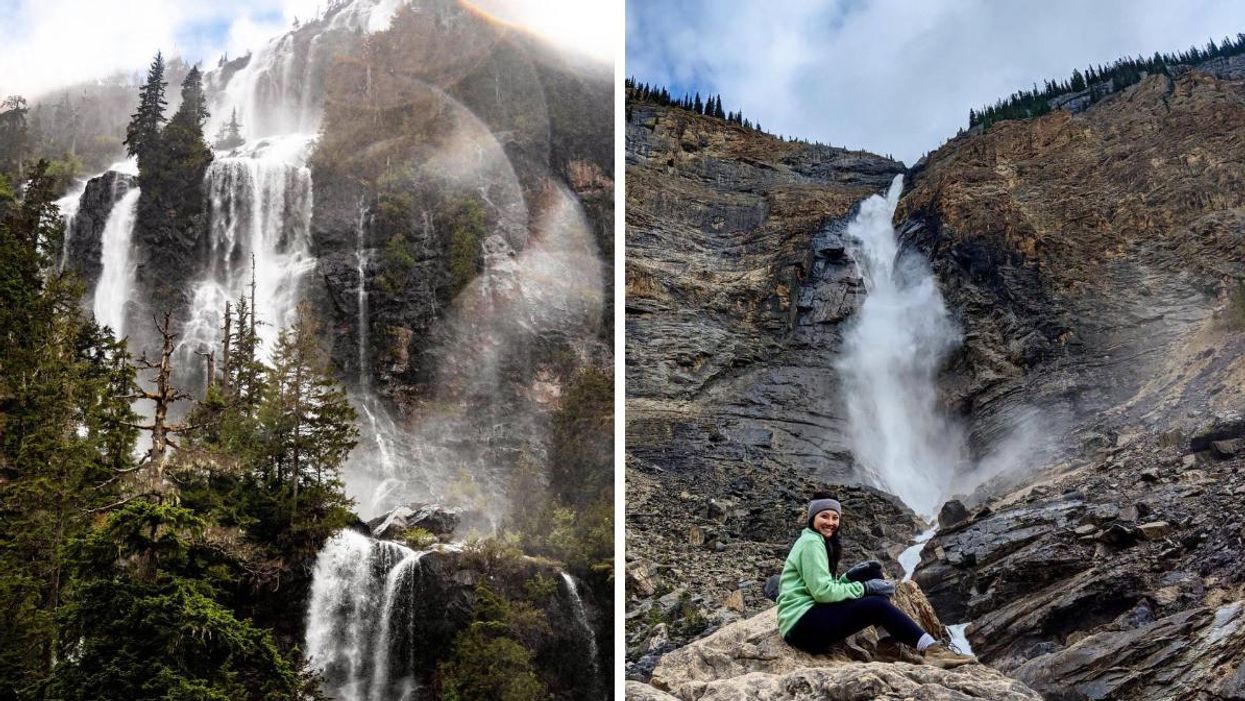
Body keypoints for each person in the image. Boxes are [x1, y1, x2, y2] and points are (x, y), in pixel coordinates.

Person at [776, 493, 976, 669]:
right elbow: (822, 593)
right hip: (802, 628)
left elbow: (821, 587)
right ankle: (932, 650)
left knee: (871, 572)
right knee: (876, 605)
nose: (830, 522)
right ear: (813, 518)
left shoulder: (817, 541)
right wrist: (864, 588)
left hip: (809, 618)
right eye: (824, 516)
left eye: (835, 517)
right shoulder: (811, 543)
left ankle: (886, 645)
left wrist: (848, 577)